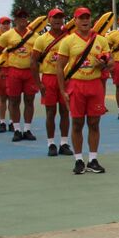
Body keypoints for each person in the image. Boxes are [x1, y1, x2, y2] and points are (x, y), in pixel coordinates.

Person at [56, 7, 111, 175]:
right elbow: (59, 66)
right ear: (75, 21)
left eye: (87, 17)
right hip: (76, 85)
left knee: (94, 123)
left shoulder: (100, 40)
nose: (85, 21)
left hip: (95, 85)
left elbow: (112, 63)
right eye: (81, 18)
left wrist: (102, 64)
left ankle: (93, 159)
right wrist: (63, 90)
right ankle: (78, 159)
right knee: (77, 123)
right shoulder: (68, 41)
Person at [31, 9, 73, 157]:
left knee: (65, 111)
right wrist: (38, 84)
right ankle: (51, 143)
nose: (57, 20)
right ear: (49, 20)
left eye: (60, 17)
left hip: (65, 79)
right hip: (48, 78)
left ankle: (64, 143)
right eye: (55, 18)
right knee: (50, 112)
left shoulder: (69, 38)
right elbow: (33, 61)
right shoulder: (41, 39)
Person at [0, 9, 39, 141]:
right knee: (14, 101)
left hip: (29, 72)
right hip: (13, 71)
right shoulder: (7, 35)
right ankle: (17, 129)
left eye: (25, 17)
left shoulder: (35, 36)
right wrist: (0, 69)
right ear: (15, 20)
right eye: (20, 17)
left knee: (29, 101)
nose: (23, 19)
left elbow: (39, 55)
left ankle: (27, 129)